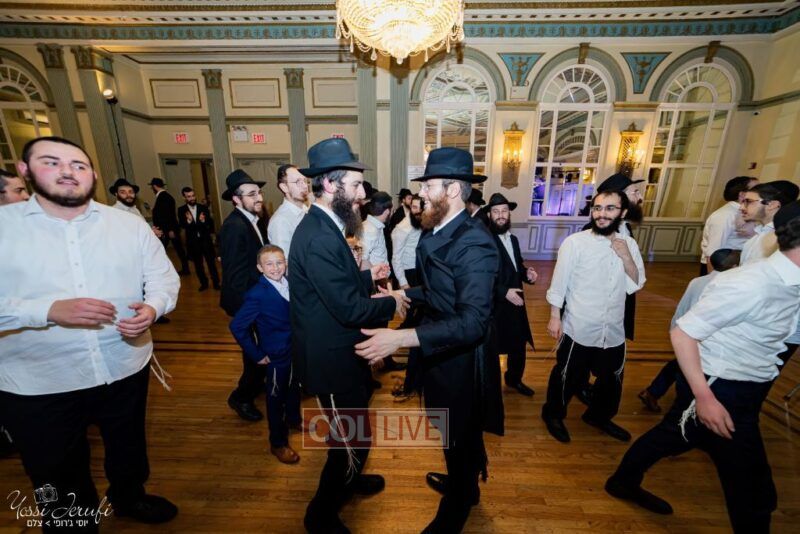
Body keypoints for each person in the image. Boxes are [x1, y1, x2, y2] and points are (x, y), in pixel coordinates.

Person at [0, 136, 180, 530]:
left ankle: (129, 496)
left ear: (93, 175)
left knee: (128, 445)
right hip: (39, 381)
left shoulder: (127, 225)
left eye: (78, 165)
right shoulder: (5, 228)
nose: (67, 171)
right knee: (57, 470)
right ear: (25, 170)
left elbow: (163, 278)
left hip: (124, 363)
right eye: (52, 162)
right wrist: (46, 310)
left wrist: (153, 307)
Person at [606, 201, 800, 533]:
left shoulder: (784, 282)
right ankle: (622, 481)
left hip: (741, 388)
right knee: (753, 492)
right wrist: (705, 398)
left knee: (672, 436)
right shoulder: (751, 283)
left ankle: (622, 481)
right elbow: (683, 333)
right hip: (721, 389)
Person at [356, 147, 503, 533]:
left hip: (462, 357)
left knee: (459, 432)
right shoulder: (437, 229)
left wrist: (400, 338)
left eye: (428, 186)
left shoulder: (474, 243)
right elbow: (441, 290)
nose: (420, 194)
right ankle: (465, 485)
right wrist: (402, 294)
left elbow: (472, 322)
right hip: (440, 345)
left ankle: (456, 508)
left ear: (452, 190)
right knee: (449, 428)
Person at [288, 138, 407, 533]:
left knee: (357, 432)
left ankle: (351, 481)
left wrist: (365, 278)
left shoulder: (326, 225)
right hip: (330, 358)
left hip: (342, 349)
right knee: (347, 441)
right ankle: (320, 514)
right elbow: (347, 309)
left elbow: (333, 286)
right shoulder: (319, 235)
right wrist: (393, 303)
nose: (361, 195)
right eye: (355, 185)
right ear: (329, 184)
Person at [541, 191, 646, 444]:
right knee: (567, 375)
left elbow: (636, 283)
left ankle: (598, 417)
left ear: (622, 212)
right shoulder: (575, 243)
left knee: (612, 379)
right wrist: (555, 316)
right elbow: (559, 283)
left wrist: (625, 256)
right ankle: (553, 414)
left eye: (609, 208)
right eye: (597, 208)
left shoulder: (629, 244)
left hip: (613, 328)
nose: (601, 214)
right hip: (580, 326)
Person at [637, 248, 740, 412]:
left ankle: (653, 392)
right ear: (734, 267)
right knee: (688, 368)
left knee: (681, 363)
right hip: (706, 337)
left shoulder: (698, 281)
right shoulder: (729, 287)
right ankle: (678, 404)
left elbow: (683, 307)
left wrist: (675, 328)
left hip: (688, 331)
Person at [229, 245, 302, 464]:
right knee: (275, 398)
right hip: (276, 354)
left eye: (279, 262)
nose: (275, 267)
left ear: (285, 263)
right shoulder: (257, 294)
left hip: (294, 349)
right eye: (269, 264)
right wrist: (256, 354)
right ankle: (278, 442)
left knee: (294, 387)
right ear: (260, 268)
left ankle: (294, 419)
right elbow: (237, 326)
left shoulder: (290, 283)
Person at [219, 169, 269, 422]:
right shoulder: (234, 226)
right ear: (236, 199)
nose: (258, 197)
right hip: (245, 302)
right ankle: (241, 397)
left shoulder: (252, 220)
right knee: (255, 352)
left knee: (259, 349)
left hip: (254, 298)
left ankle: (254, 385)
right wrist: (251, 309)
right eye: (251, 194)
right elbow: (235, 276)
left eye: (258, 192)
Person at [484, 193, 538, 397]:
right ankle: (489, 386)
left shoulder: (513, 239)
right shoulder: (484, 240)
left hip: (516, 302)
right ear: (489, 215)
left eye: (504, 211)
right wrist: (503, 291)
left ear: (509, 214)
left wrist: (527, 274)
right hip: (494, 304)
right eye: (496, 211)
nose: (500, 215)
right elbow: (480, 275)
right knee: (492, 346)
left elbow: (517, 266)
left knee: (518, 343)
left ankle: (514, 379)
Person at [699, 176, 758, 275]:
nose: (761, 192)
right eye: (756, 189)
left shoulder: (744, 213)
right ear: (742, 195)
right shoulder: (725, 215)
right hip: (720, 269)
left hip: (734, 268)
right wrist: (712, 280)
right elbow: (713, 252)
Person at [739, 180, 799, 265]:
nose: (741, 207)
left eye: (749, 201)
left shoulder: (781, 239)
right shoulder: (759, 232)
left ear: (772, 205)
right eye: (743, 202)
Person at [178, 186, 220, 291]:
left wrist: (203, 221)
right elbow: (182, 225)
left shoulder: (203, 208)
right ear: (184, 198)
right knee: (198, 265)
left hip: (205, 240)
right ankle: (204, 283)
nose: (192, 198)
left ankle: (216, 283)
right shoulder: (181, 210)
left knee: (211, 263)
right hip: (193, 242)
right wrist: (189, 221)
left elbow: (209, 223)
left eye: (193, 196)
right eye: (189, 196)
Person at [149, 177, 190, 275]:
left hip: (168, 230)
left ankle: (183, 269)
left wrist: (171, 230)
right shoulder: (165, 196)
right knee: (177, 249)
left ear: (154, 186)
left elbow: (168, 215)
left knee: (168, 250)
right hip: (167, 229)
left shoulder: (163, 197)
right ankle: (185, 269)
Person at [267, 164, 308, 258]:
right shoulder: (280, 221)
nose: (305, 186)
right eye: (298, 182)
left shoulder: (306, 210)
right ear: (284, 187)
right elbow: (284, 261)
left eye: (305, 181)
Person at [391, 195, 424, 290]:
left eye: (421, 208)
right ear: (410, 207)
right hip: (409, 272)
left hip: (421, 270)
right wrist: (403, 282)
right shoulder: (402, 227)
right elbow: (396, 257)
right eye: (414, 207)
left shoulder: (423, 223)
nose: (418, 211)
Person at [361, 191, 392, 267]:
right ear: (387, 211)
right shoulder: (370, 230)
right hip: (376, 274)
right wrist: (376, 273)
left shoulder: (375, 225)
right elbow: (362, 259)